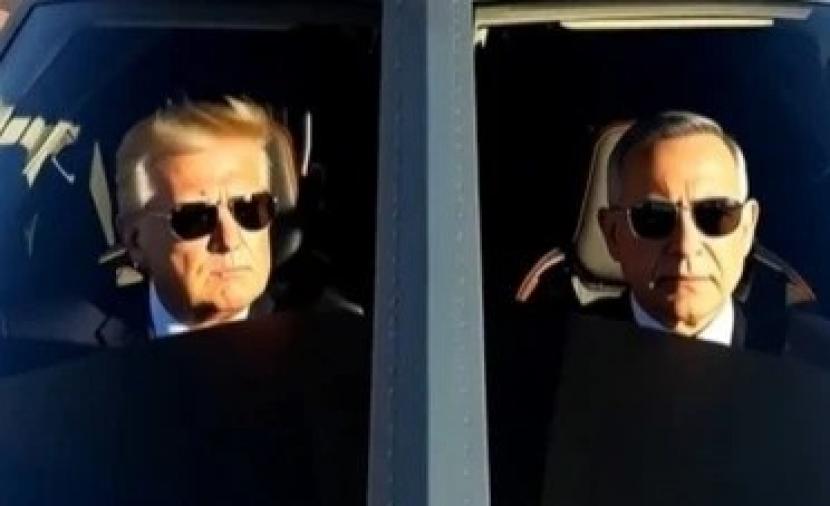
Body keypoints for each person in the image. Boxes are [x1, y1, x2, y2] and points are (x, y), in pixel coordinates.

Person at [113, 96, 298, 338]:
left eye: (250, 209)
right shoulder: (70, 347)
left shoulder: (327, 336)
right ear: (135, 240)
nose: (230, 239)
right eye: (196, 218)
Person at [593, 110, 760, 345]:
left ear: (747, 230)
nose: (685, 246)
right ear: (612, 235)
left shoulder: (805, 359)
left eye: (715, 214)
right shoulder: (556, 355)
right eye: (654, 217)